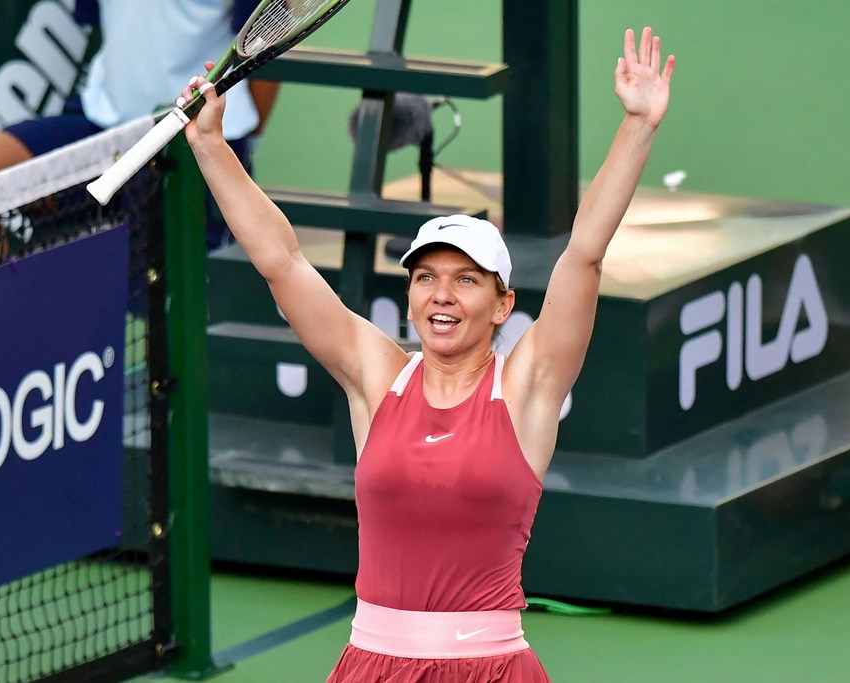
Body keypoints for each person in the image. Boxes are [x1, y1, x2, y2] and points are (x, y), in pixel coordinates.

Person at [180, 26, 674, 682]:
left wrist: (638, 126)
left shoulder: (528, 387)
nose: (441, 295)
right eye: (425, 277)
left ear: (502, 304)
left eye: (465, 279)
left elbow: (583, 252)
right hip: (371, 666)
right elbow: (284, 263)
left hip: (490, 668)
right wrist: (211, 146)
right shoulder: (377, 375)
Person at [0, 0, 278, 253]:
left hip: (191, 150)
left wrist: (230, 137)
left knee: (172, 321)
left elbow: (263, 48)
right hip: (102, 129)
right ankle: (5, 336)